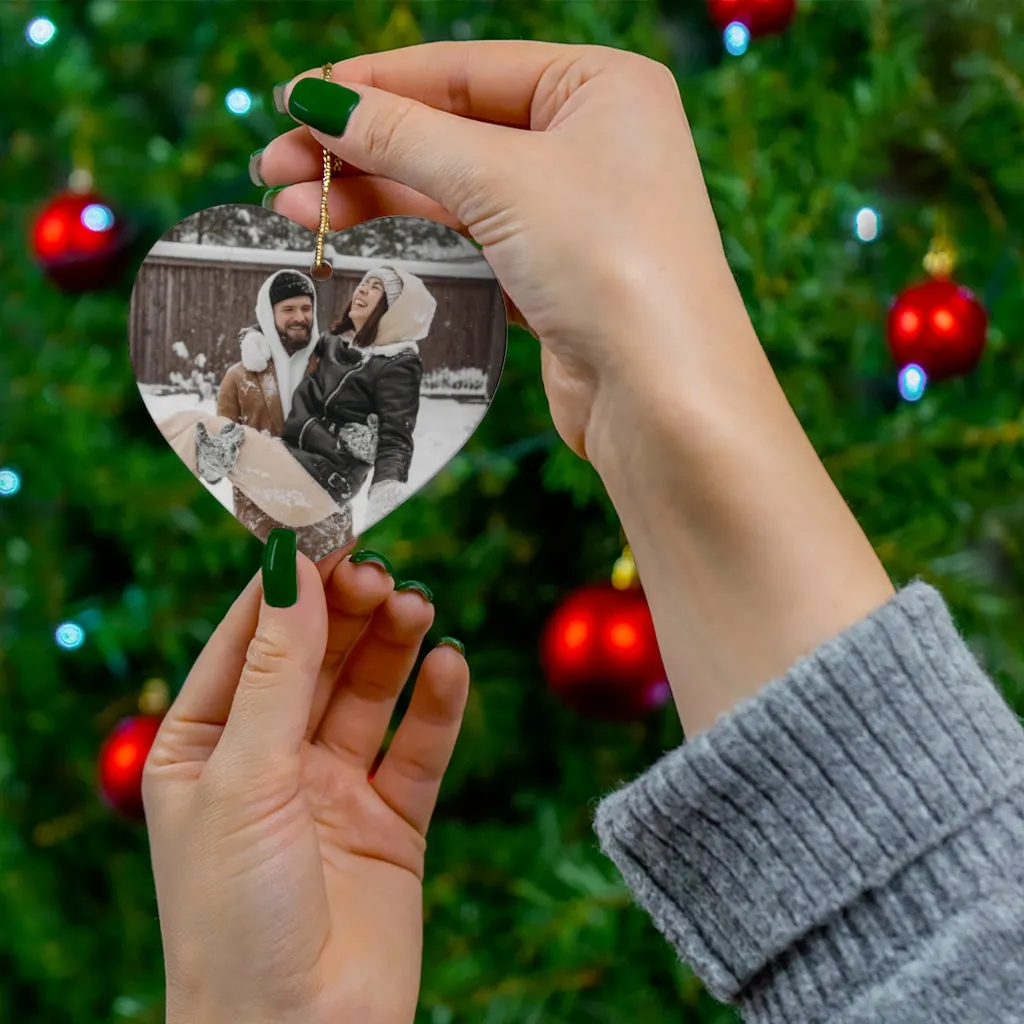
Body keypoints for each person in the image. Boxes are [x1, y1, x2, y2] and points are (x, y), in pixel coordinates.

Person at [143, 40, 1024, 1024]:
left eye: (326, 300)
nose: (321, 310)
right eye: (302, 303)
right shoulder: (249, 375)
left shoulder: (374, 363)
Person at [204, 267, 355, 557]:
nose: (300, 317)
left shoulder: (335, 370)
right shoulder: (239, 377)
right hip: (262, 520)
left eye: (306, 308)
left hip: (326, 520)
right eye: (288, 309)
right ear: (267, 313)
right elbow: (221, 445)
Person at [281, 264, 435, 526]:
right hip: (295, 448)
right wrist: (256, 337)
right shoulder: (334, 342)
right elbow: (285, 340)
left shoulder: (396, 363)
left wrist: (386, 488)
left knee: (230, 445)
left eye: (376, 288)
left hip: (331, 470)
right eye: (364, 283)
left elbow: (396, 435)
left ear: (393, 310)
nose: (362, 288)